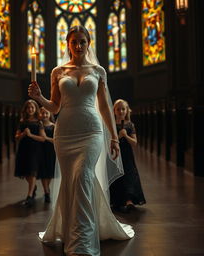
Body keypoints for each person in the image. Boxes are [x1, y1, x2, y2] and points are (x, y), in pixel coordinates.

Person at [28, 26, 134, 256]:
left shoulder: (98, 71)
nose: (78, 46)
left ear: (88, 43)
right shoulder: (58, 71)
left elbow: (105, 106)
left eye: (82, 42)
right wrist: (39, 98)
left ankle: (82, 242)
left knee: (83, 177)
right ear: (67, 44)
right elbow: (55, 107)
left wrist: (114, 137)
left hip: (91, 132)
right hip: (64, 133)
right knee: (72, 181)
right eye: (74, 42)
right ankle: (70, 232)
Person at [110, 99, 146, 213]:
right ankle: (118, 200)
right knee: (118, 176)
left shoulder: (130, 125)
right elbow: (108, 142)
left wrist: (125, 136)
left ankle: (129, 201)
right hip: (115, 155)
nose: (121, 111)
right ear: (114, 111)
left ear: (127, 111)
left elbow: (134, 143)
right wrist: (118, 137)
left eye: (123, 109)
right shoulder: (111, 125)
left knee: (129, 176)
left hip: (127, 155)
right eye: (118, 109)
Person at [14, 99, 45, 206]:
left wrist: (31, 135)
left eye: (32, 107)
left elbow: (42, 138)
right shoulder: (22, 122)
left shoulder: (39, 122)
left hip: (35, 150)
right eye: (28, 108)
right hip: (24, 149)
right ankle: (34, 187)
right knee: (26, 172)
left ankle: (30, 196)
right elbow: (17, 137)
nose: (30, 109)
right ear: (26, 109)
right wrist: (23, 134)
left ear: (35, 109)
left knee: (32, 172)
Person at [38, 107, 56, 203]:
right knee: (43, 171)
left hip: (51, 151)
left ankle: (47, 188)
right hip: (40, 150)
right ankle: (46, 192)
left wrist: (46, 138)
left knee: (49, 171)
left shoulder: (53, 126)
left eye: (46, 113)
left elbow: (56, 140)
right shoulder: (39, 125)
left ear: (50, 114)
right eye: (42, 113)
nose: (44, 115)